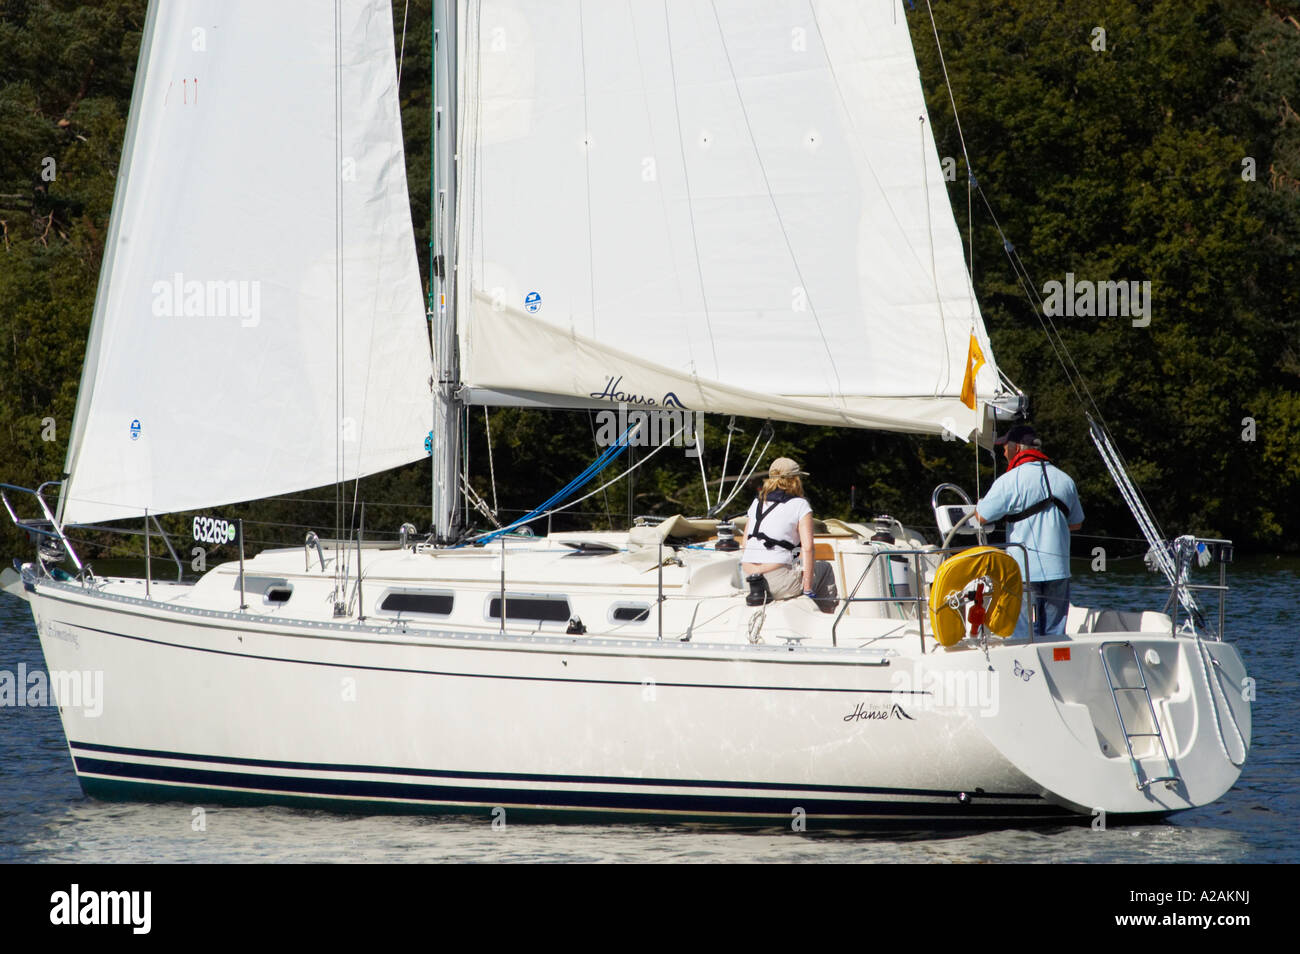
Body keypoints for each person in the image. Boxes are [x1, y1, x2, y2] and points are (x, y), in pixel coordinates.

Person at [973, 424, 1083, 637]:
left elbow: (982, 516)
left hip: (1023, 571)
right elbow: (1076, 523)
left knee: (1022, 634)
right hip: (1059, 568)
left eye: (1005, 447)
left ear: (1016, 448)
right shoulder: (1065, 479)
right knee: (1054, 634)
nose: (1003, 452)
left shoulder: (1010, 480)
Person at [739, 458, 816, 601]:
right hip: (777, 581)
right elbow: (808, 548)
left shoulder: (757, 502)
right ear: (795, 480)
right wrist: (807, 588)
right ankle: (825, 616)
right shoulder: (800, 505)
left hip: (748, 581)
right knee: (825, 569)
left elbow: (745, 544)